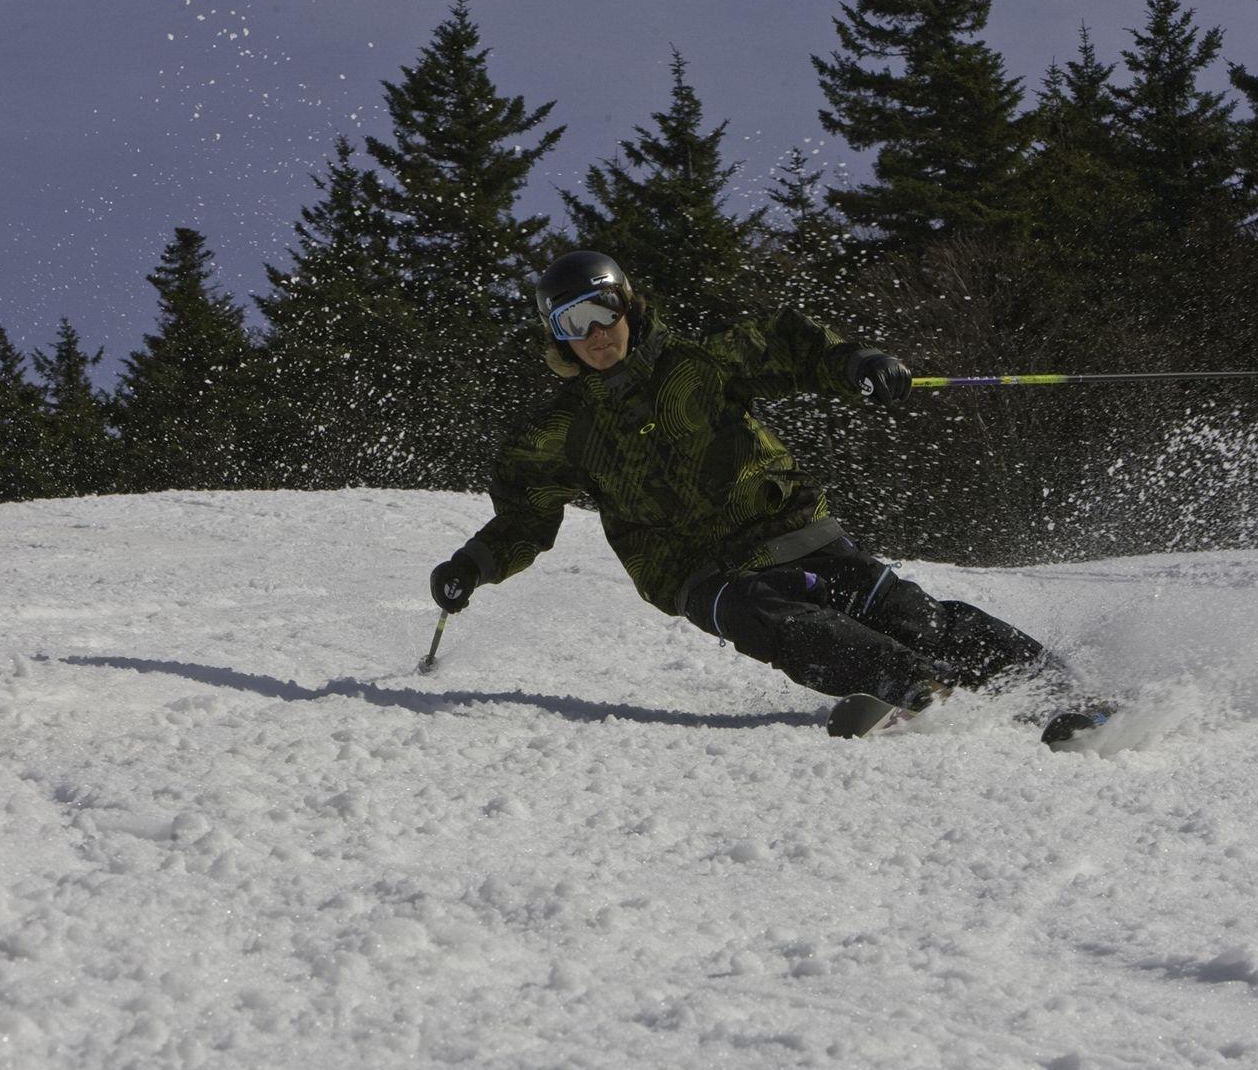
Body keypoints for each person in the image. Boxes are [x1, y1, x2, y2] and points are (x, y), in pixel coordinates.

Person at [428, 251, 1109, 744]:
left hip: (786, 524)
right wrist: (473, 565)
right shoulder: (559, 430)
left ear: (627, 306)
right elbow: (524, 514)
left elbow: (792, 346)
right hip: (697, 570)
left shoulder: (698, 364)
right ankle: (914, 688)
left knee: (911, 613)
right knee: (778, 621)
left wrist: (859, 365)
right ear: (559, 340)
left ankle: (1063, 697)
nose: (596, 335)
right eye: (575, 325)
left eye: (603, 312)